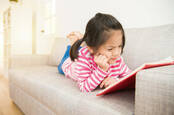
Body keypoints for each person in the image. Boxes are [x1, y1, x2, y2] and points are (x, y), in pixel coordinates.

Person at [58, 13, 132, 92]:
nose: (117, 53)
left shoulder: (117, 59)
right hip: (69, 65)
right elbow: (84, 88)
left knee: (77, 51)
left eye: (120, 46)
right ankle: (72, 44)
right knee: (64, 63)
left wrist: (116, 81)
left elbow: (131, 77)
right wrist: (102, 70)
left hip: (86, 52)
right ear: (91, 48)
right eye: (110, 49)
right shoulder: (84, 58)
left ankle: (77, 43)